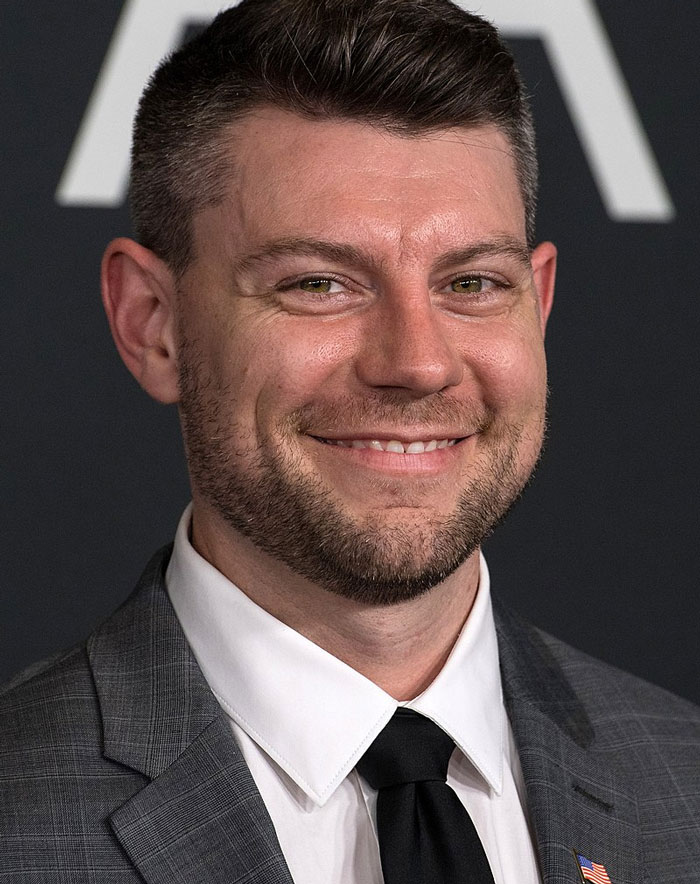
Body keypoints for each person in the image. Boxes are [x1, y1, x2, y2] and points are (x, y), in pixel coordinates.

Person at [2, 0, 699, 881]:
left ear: (541, 303)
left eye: (474, 282)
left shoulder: (686, 784)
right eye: (321, 283)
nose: (417, 362)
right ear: (154, 325)